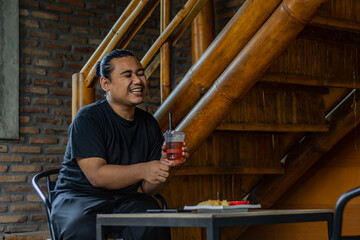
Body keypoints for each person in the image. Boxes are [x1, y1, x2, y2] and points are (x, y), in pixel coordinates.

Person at [50, 49, 189, 240]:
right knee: (83, 228)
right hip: (79, 198)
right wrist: (144, 169)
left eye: (140, 73)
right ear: (106, 84)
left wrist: (164, 166)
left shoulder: (148, 123)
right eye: (127, 75)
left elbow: (149, 189)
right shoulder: (88, 118)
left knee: (152, 218)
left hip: (123, 199)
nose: (138, 81)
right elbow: (97, 176)